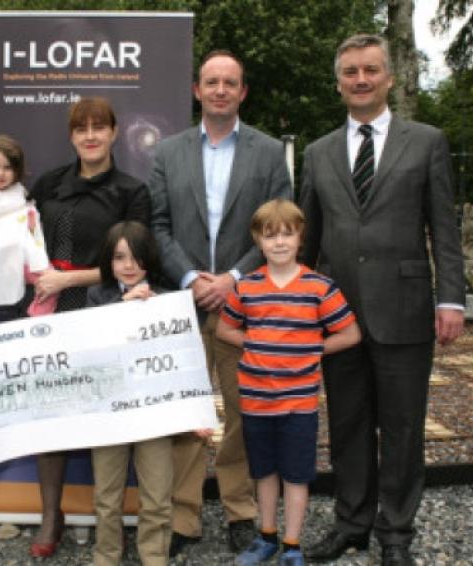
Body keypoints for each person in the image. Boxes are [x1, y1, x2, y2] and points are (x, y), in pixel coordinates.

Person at [299, 34, 465, 566]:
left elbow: (444, 228)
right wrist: (298, 305)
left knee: (402, 427)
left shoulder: (427, 142)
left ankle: (395, 531)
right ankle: (351, 523)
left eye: (370, 70)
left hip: (405, 309)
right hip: (337, 316)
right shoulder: (317, 153)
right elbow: (307, 240)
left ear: (389, 77)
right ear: (339, 83)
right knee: (347, 424)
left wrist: (452, 300)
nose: (361, 80)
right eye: (350, 72)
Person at [148, 49, 293, 555]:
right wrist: (191, 278)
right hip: (183, 303)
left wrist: (233, 277)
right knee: (186, 414)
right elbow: (157, 225)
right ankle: (182, 517)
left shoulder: (268, 153)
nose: (220, 90)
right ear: (197, 90)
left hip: (245, 303)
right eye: (212, 82)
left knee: (242, 412)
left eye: (230, 83)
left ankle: (240, 510)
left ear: (242, 92)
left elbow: (280, 225)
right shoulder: (167, 153)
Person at [27, 97, 151, 558]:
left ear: (115, 133)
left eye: (100, 127)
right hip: (49, 314)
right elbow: (24, 241)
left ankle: (110, 523)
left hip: (106, 312)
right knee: (50, 416)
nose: (91, 136)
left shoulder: (131, 192)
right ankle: (50, 515)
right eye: (82, 128)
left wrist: (70, 279)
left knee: (105, 417)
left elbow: (138, 261)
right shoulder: (48, 184)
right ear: (72, 135)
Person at [216, 200, 361, 566]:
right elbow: (224, 329)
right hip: (256, 401)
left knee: (296, 476)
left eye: (287, 234)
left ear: (300, 237)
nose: (279, 242)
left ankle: (292, 544)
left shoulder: (319, 287)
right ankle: (266, 536)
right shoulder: (247, 287)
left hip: (298, 404)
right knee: (264, 473)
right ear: (258, 240)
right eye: (270, 236)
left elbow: (350, 333)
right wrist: (255, 343)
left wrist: (314, 348)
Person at [85, 221, 172, 566]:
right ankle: (106, 555)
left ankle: (154, 556)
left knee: (157, 495)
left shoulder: (168, 298)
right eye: (120, 257)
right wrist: (123, 306)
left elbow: (182, 359)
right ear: (109, 260)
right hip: (110, 412)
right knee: (106, 495)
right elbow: (89, 347)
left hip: (154, 412)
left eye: (137, 257)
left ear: (150, 257)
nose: (129, 265)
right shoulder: (97, 296)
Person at [0, 134, 54, 325]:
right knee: (2, 303)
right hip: (6, 262)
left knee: (51, 282)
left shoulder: (19, 190)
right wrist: (7, 245)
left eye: (7, 167)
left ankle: (39, 318)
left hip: (32, 257)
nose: (1, 173)